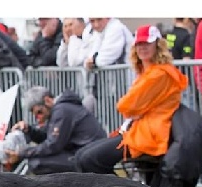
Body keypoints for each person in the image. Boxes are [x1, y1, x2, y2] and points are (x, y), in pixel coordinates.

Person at [75, 25, 188, 175]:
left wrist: (135, 110)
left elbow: (125, 106)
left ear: (158, 45)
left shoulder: (160, 74)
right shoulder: (147, 72)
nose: (142, 48)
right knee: (81, 156)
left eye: (147, 43)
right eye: (139, 44)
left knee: (89, 159)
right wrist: (136, 110)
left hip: (148, 135)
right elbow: (130, 107)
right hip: (136, 130)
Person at [4, 86, 106, 175]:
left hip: (88, 156)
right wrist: (29, 130)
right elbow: (48, 137)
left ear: (47, 100)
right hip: (85, 152)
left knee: (37, 163)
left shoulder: (61, 110)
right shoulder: (61, 109)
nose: (38, 118)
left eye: (39, 112)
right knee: (37, 160)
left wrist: (22, 153)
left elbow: (53, 145)